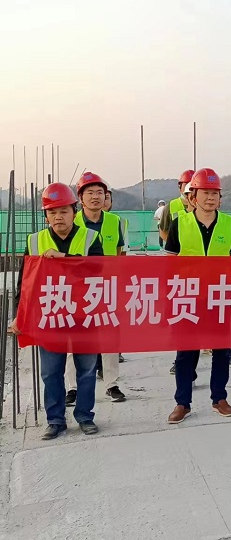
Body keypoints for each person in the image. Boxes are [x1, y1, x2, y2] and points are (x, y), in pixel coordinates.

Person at [9, 183, 104, 440]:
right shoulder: (35, 241)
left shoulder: (91, 238)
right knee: (51, 371)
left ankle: (85, 416)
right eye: (52, 212)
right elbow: (25, 282)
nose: (58, 217)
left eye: (63, 211)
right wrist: (19, 314)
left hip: (84, 315)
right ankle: (55, 420)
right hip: (50, 315)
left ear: (74, 211)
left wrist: (63, 257)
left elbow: (98, 270)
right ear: (46, 216)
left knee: (87, 370)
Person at [165, 168, 231, 423]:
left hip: (219, 296)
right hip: (188, 297)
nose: (210, 198)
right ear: (193, 196)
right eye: (205, 193)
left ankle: (219, 398)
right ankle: (182, 402)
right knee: (186, 352)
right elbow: (169, 263)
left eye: (215, 193)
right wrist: (170, 297)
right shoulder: (179, 223)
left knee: (222, 350)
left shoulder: (229, 223)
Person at [65, 172, 126, 404]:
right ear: (80, 198)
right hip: (77, 289)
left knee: (110, 338)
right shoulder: (72, 222)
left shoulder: (114, 221)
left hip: (107, 287)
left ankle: (111, 384)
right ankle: (72, 387)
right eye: (89, 192)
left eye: (100, 192)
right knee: (74, 339)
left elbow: (119, 253)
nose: (95, 197)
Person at [159, 169, 195, 244]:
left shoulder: (203, 207)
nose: (190, 188)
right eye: (186, 185)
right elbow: (163, 231)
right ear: (180, 187)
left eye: (193, 185)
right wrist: (174, 245)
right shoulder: (170, 207)